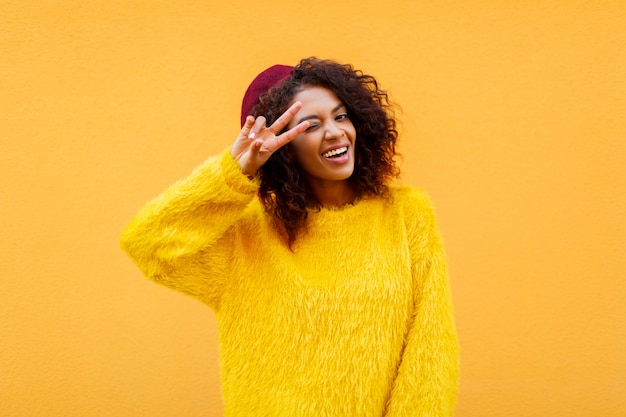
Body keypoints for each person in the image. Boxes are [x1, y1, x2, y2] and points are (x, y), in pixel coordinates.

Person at [121, 57, 459, 416]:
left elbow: (430, 354)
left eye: (341, 116)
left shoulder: (407, 215)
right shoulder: (248, 235)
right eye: (311, 126)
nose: (335, 132)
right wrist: (232, 174)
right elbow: (148, 242)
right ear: (283, 146)